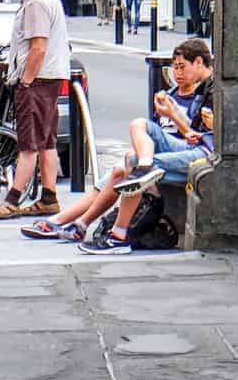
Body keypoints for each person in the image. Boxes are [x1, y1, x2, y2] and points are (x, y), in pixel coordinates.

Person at [80, 39, 214, 255]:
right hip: (192, 144)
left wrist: (180, 118)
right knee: (139, 124)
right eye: (175, 68)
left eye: (182, 67)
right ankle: (146, 165)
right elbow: (192, 133)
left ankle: (118, 235)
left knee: (129, 165)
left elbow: (215, 134)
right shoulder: (202, 88)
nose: (178, 74)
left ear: (198, 62)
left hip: (203, 152)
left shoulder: (214, 88)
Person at [0, 0, 71, 219]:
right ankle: (49, 197)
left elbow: (38, 46)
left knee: (29, 143)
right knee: (46, 141)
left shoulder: (36, 2)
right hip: (50, 78)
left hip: (37, 79)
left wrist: (26, 81)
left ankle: (11, 200)